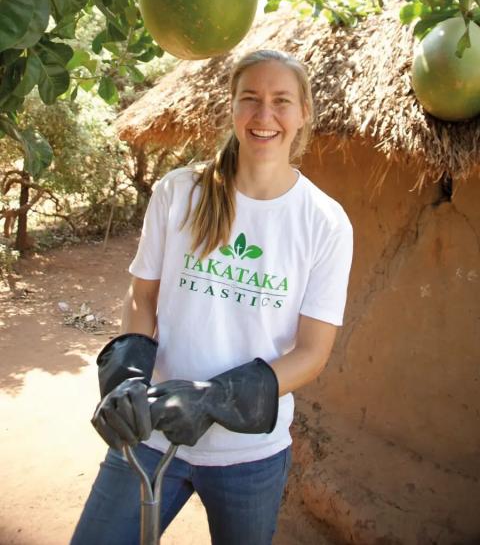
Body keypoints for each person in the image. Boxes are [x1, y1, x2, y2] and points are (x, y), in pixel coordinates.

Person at [70, 49, 353, 545]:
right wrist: (126, 380)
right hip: (150, 433)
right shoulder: (179, 192)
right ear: (232, 106)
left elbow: (311, 354)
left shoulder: (325, 223)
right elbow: (142, 299)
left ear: (304, 111)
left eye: (281, 101)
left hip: (249, 454)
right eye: (251, 99)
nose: (265, 116)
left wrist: (215, 399)